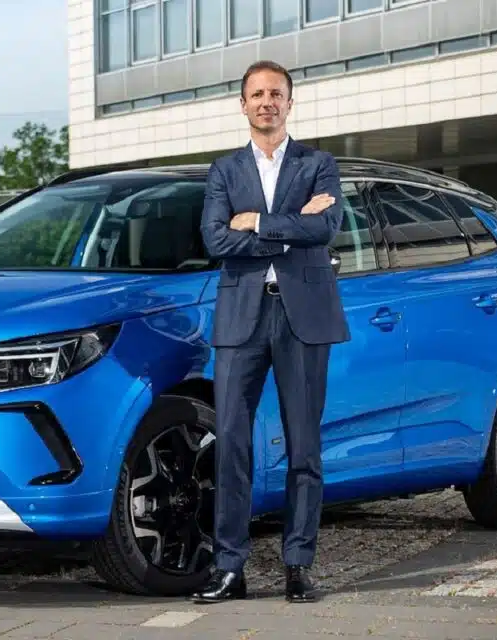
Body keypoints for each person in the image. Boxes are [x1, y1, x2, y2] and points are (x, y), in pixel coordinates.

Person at [192, 60, 350, 605]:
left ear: (289, 102)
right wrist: (290, 229)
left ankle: (298, 566)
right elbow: (215, 239)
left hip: (303, 318)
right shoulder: (224, 170)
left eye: (275, 94)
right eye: (257, 94)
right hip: (242, 318)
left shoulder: (319, 164)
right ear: (243, 104)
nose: (266, 102)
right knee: (231, 444)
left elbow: (325, 227)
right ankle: (229, 568)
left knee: (304, 446)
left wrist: (257, 222)